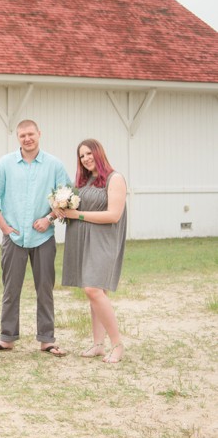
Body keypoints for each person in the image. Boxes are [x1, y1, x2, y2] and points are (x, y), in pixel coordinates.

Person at [0, 119, 71, 356]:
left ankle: (47, 339)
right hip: (14, 238)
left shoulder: (54, 165)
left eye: (31, 134)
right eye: (23, 136)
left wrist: (49, 218)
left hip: (43, 238)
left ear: (39, 134)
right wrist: (4, 227)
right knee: (11, 289)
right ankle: (7, 337)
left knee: (45, 288)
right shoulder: (5, 164)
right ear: (18, 138)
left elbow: (66, 199)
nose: (27, 139)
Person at [53, 139, 127, 363]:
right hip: (84, 241)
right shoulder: (85, 182)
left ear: (99, 153)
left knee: (93, 289)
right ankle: (98, 344)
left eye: (88, 153)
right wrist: (60, 207)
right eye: (81, 155)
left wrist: (79, 215)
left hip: (104, 241)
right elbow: (75, 208)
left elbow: (114, 215)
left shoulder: (115, 179)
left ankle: (117, 344)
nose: (85, 158)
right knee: (97, 293)